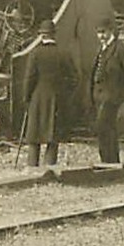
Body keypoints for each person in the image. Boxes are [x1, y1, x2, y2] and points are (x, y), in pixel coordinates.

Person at [19, 20, 78, 169]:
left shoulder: (35, 53)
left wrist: (26, 98)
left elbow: (29, 78)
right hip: (57, 98)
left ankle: (32, 167)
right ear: (54, 35)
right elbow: (74, 78)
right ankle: (50, 167)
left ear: (41, 35)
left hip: (38, 97)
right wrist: (64, 93)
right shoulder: (63, 53)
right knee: (53, 135)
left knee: (34, 134)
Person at [90, 21, 124, 167]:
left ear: (111, 31)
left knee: (104, 125)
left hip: (112, 95)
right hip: (99, 95)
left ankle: (110, 160)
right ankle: (107, 160)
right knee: (104, 127)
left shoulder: (120, 48)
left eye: (103, 32)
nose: (101, 36)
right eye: (99, 33)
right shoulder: (102, 49)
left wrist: (120, 92)